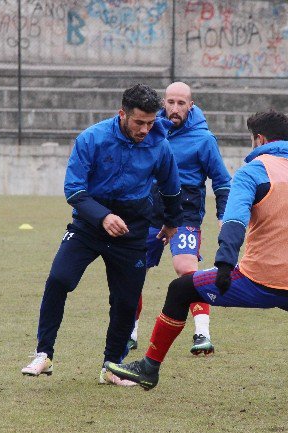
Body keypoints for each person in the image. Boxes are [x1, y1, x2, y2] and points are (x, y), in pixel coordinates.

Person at [105, 110, 288, 411]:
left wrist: (225, 263)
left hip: (260, 279)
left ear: (260, 139)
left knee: (181, 289)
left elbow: (235, 220)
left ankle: (149, 368)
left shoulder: (253, 171)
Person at [21, 84, 183, 386]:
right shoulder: (92, 138)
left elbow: (171, 188)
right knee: (59, 280)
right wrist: (102, 216)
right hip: (89, 225)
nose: (146, 129)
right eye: (139, 122)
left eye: (151, 122)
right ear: (122, 114)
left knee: (125, 300)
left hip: (132, 230)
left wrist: (172, 222)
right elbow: (74, 190)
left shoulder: (160, 145)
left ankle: (112, 366)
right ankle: (44, 354)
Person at [129, 82, 231, 355]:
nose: (175, 109)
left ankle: (202, 334)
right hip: (150, 211)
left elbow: (221, 181)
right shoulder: (151, 130)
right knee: (132, 270)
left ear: (191, 105)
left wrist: (224, 215)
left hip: (185, 212)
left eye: (181, 103)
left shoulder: (204, 139)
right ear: (164, 103)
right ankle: (130, 332)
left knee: (186, 269)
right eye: (171, 102)